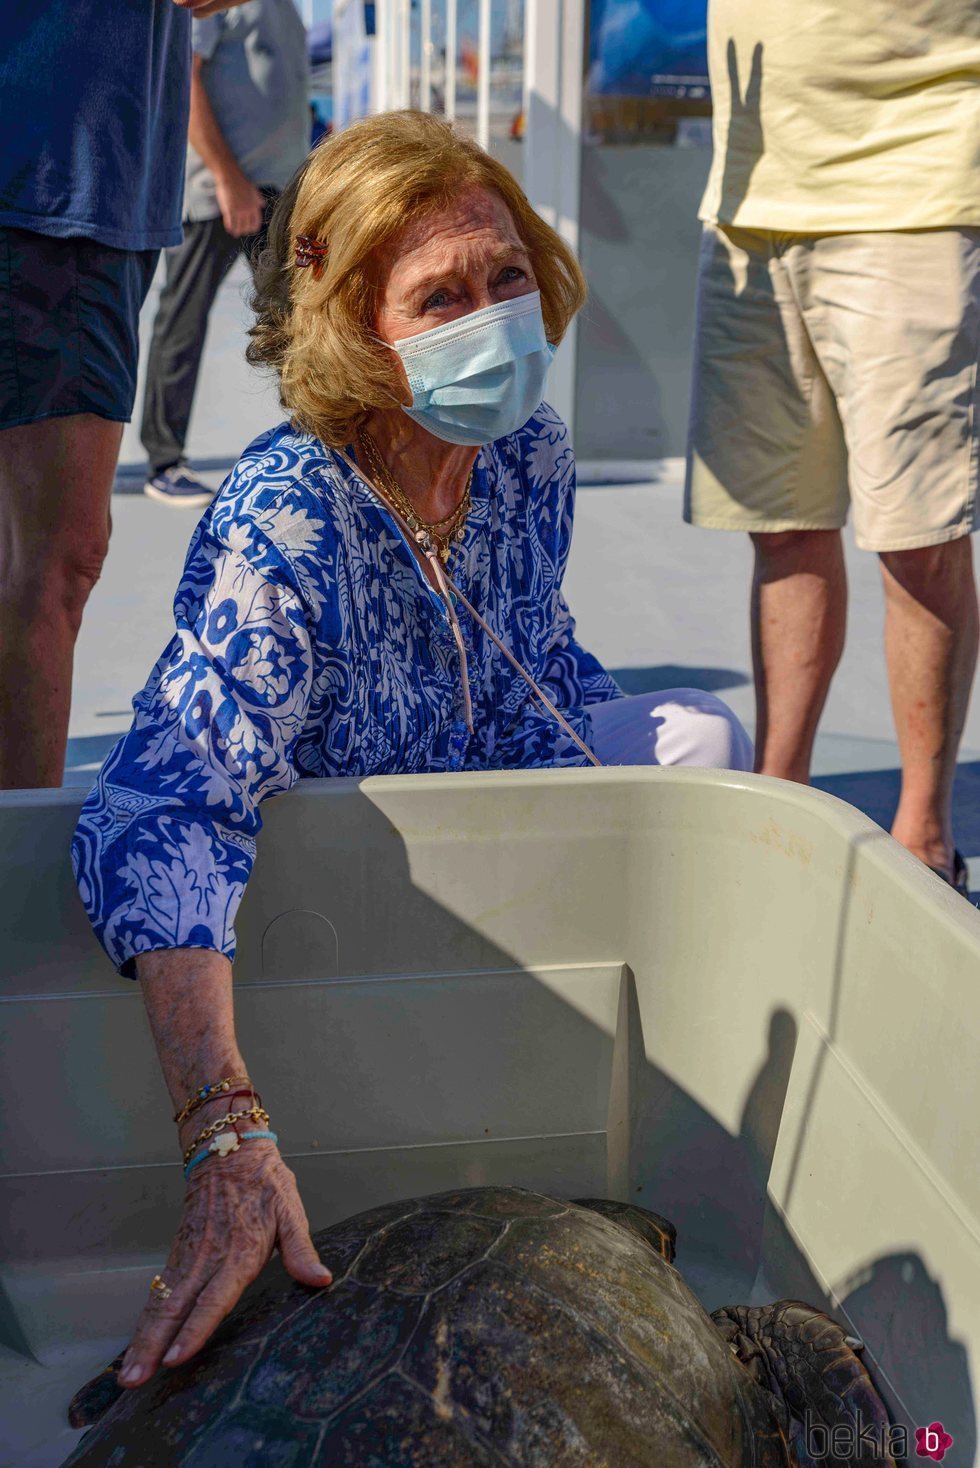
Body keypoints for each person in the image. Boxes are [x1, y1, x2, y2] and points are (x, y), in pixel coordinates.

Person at [71, 112, 753, 1390]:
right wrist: (223, 1130)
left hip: (480, 843)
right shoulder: (290, 516)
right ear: (354, 331)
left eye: (506, 277)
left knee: (708, 745)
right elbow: (159, 811)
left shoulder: (524, 455)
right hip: (328, 917)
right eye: (441, 297)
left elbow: (534, 666)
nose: (494, 318)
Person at [685, 0, 980, 895]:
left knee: (915, 536)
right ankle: (780, 800)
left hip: (914, 187)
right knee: (780, 526)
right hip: (747, 199)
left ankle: (925, 832)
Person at [0, 0, 251, 792]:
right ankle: (18, 896)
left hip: (88, 174)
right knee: (48, 569)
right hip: (52, 171)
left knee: (45, 568)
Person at [142, 0, 311, 508]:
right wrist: (227, 179)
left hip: (277, 191)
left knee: (300, 315)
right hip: (221, 191)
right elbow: (185, 83)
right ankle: (163, 461)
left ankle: (319, 439)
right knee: (183, 318)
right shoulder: (215, 5)